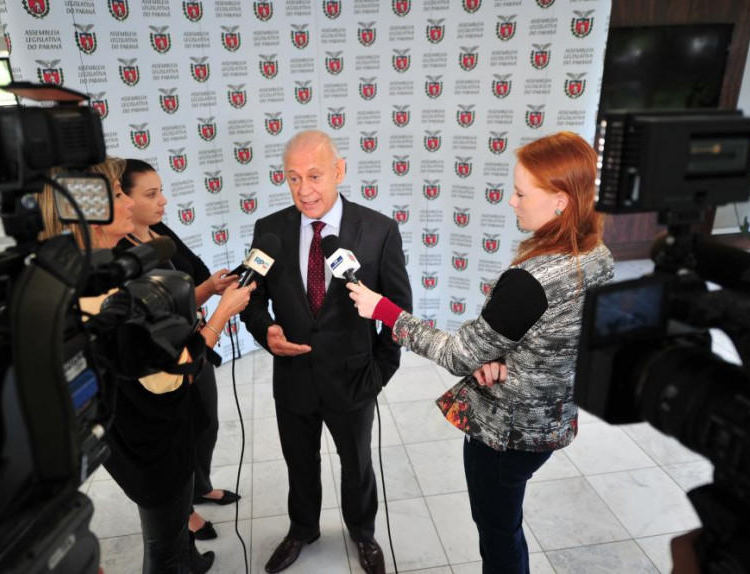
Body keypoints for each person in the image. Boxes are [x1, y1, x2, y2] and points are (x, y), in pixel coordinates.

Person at [347, 131, 615, 574]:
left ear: (561, 201)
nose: (511, 201)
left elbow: (458, 354)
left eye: (521, 193)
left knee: (498, 531)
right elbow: (562, 339)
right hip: (553, 421)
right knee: (506, 523)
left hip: (508, 436)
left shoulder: (530, 281)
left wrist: (386, 311)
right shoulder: (597, 255)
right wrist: (509, 359)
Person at [37, 157, 256, 573]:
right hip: (146, 441)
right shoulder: (101, 288)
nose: (130, 203)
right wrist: (220, 315)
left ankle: (190, 560)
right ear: (91, 212)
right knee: (164, 547)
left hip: (150, 431)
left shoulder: (97, 269)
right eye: (120, 194)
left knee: (174, 532)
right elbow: (168, 378)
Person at [239, 130, 412, 574]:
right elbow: (251, 300)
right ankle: (302, 529)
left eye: (314, 176)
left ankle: (362, 532)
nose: (304, 190)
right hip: (293, 376)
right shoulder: (270, 230)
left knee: (356, 467)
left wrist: (380, 371)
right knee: (299, 463)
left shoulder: (377, 231)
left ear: (339, 171)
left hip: (354, 379)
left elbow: (398, 312)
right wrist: (267, 331)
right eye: (293, 178)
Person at [118, 159, 240, 542]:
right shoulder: (119, 259)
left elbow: (194, 278)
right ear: (122, 200)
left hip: (196, 347)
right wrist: (219, 313)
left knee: (206, 426)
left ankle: (199, 486)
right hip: (171, 363)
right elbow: (158, 319)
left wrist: (214, 288)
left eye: (161, 191)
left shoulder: (159, 232)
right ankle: (183, 510)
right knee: (179, 439)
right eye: (151, 194)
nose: (163, 201)